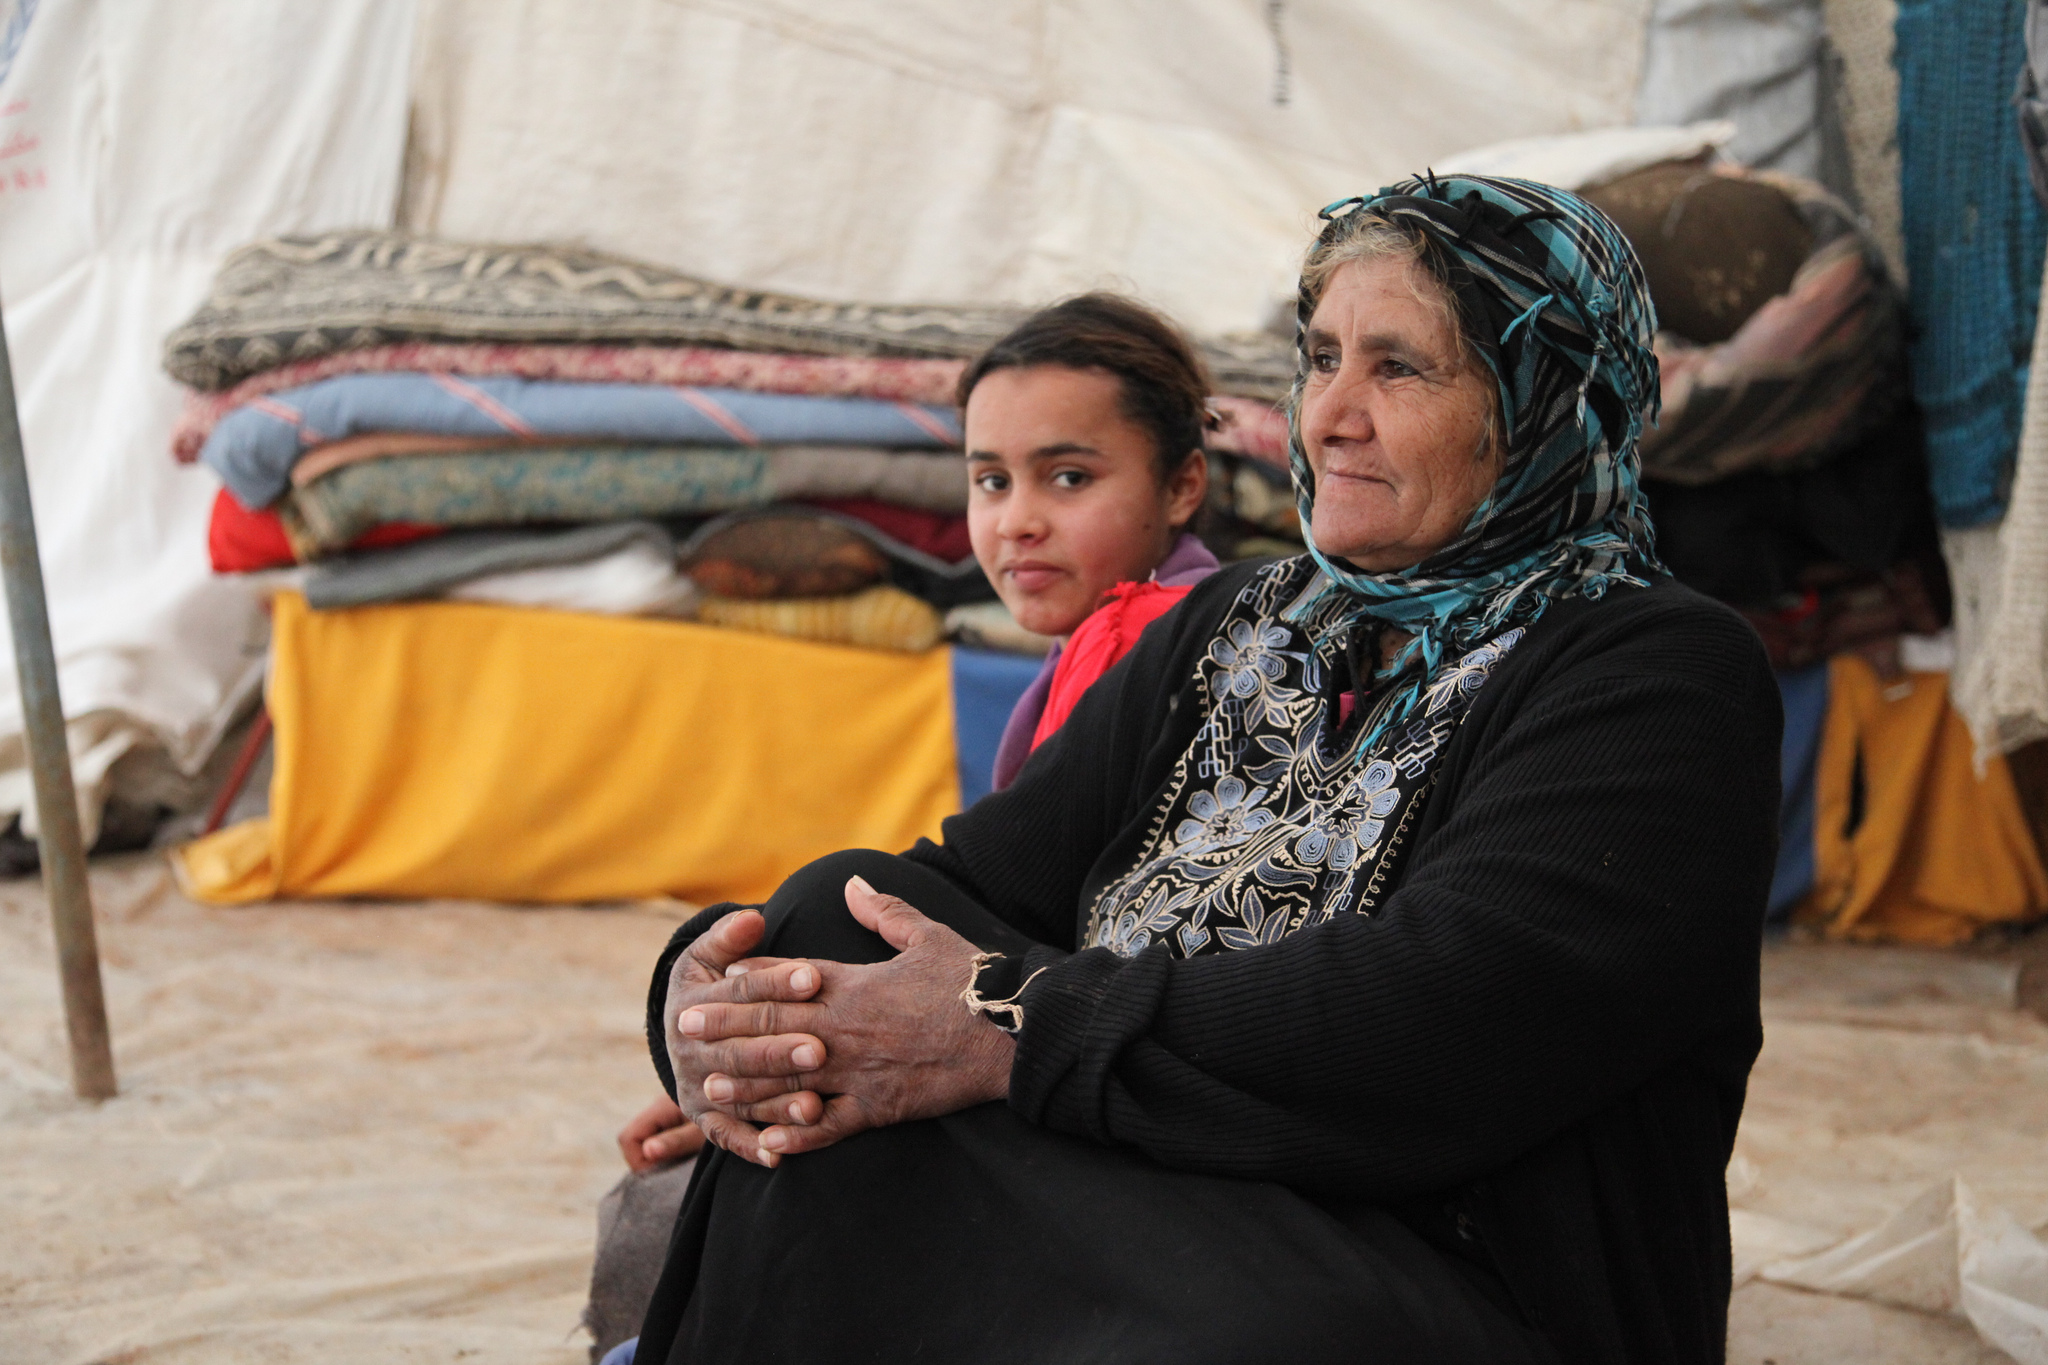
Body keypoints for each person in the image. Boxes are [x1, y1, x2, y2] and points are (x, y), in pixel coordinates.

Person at [624, 175, 1780, 1365]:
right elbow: (961, 883)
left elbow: (1440, 1018)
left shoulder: (1655, 670)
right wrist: (713, 1012)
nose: (1329, 413)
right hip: (1155, 1181)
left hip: (1430, 1268)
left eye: (1399, 369)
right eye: (1321, 355)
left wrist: (1011, 1026)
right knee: (831, 921)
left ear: (1543, 400)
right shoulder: (1239, 617)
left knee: (1263, 1335)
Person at [593, 295, 1223, 1352]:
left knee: (658, 1219)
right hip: (1065, 1050)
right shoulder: (1098, 648)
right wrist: (758, 1053)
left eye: (1067, 478)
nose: (1015, 518)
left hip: (1092, 1074)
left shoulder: (1151, 638)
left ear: (1181, 484)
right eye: (989, 480)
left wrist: (797, 1052)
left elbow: (1074, 949)